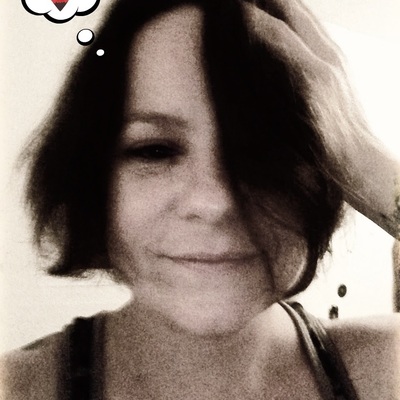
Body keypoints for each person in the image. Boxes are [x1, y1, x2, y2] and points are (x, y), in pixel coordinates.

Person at [1, 0, 399, 398]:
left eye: (265, 151)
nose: (215, 201)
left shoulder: (385, 369)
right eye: (155, 150)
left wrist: (365, 159)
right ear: (93, 180)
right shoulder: (16, 387)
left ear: (331, 170)